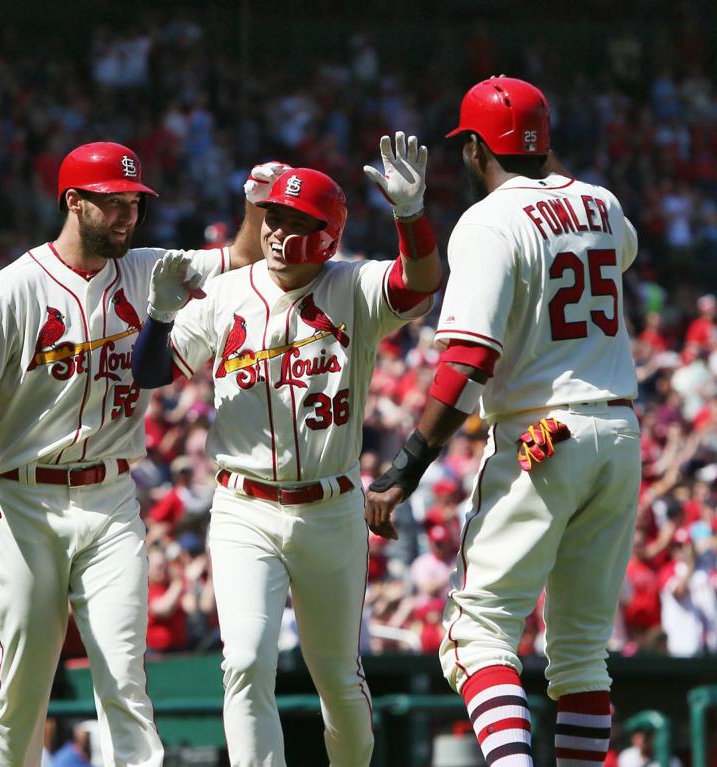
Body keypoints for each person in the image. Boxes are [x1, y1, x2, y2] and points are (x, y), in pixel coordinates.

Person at [0, 142, 268, 767]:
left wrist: (253, 204)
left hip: (111, 497)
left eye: (134, 204)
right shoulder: (17, 285)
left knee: (124, 677)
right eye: (113, 204)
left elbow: (246, 255)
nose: (127, 217)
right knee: (26, 681)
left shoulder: (148, 268)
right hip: (23, 498)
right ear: (74, 202)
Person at [131, 135, 441, 765]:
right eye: (272, 216)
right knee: (244, 661)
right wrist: (159, 318)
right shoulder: (226, 292)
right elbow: (151, 373)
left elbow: (417, 286)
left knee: (338, 679)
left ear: (327, 234)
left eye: (295, 221)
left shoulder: (353, 285)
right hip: (244, 504)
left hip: (330, 507)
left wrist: (410, 216)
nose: (276, 231)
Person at [364, 76, 641, 767]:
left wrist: (406, 467)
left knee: (476, 633)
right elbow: (621, 251)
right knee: (580, 651)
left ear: (473, 149)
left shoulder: (489, 221)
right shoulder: (601, 201)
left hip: (546, 434)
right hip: (619, 430)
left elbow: (467, 360)